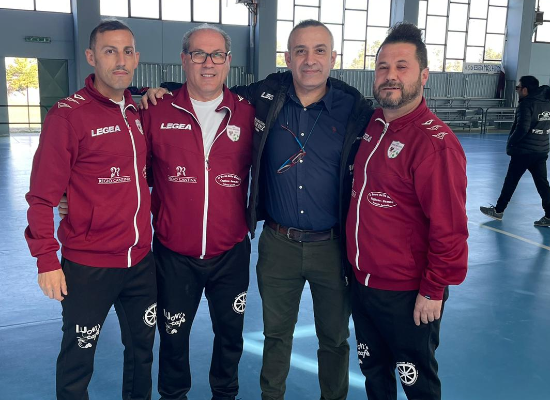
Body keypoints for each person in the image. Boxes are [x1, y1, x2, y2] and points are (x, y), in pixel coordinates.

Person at [142, 19, 374, 400]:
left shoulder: (352, 109)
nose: (310, 60)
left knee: (332, 338)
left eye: (319, 51)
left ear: (333, 58)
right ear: (288, 58)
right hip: (265, 245)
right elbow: (202, 91)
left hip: (323, 246)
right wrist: (158, 90)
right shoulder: (265, 98)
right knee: (270, 334)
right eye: (300, 51)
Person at [24, 19, 156, 400]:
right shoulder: (67, 116)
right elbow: (41, 197)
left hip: (140, 261)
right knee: (77, 362)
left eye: (127, 52)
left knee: (142, 355)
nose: (120, 60)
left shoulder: (139, 110)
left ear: (136, 58)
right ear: (91, 57)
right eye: (109, 51)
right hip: (88, 266)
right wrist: (46, 260)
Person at [345, 22, 468, 400]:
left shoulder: (435, 145)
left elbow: (450, 229)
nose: (391, 76)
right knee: (374, 375)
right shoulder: (373, 124)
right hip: (363, 284)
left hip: (407, 293)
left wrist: (433, 289)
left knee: (417, 383)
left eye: (402, 66)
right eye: (383, 67)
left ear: (424, 75)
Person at [142, 24, 255, 400]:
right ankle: (173, 394)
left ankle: (226, 393)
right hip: (174, 254)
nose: (208, 63)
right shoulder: (155, 110)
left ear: (228, 61)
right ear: (184, 59)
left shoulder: (248, 114)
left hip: (231, 252)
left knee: (230, 336)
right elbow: (127, 167)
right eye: (199, 54)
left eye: (217, 54)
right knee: (173, 338)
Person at [480, 76, 550, 227]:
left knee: (511, 181)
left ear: (525, 89)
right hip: (541, 150)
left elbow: (522, 128)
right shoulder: (547, 102)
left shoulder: (527, 104)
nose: (517, 90)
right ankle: (549, 215)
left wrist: (511, 143)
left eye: (518, 87)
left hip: (524, 151)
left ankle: (498, 210)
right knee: (542, 184)